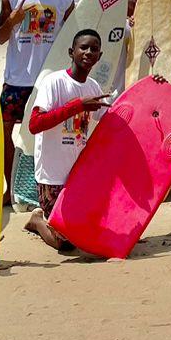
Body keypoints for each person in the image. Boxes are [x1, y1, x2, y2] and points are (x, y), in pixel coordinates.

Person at [0, 0, 75, 202]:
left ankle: (52, 189)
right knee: (3, 133)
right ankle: (10, 189)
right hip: (17, 79)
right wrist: (12, 21)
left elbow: (73, 37)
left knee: (53, 135)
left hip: (50, 79)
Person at [23, 30, 110, 252]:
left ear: (99, 56)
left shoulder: (93, 87)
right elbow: (35, 124)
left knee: (87, 231)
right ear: (72, 52)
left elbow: (112, 121)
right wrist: (77, 106)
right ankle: (37, 220)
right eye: (83, 47)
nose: (88, 52)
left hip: (78, 174)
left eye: (94, 49)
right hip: (52, 174)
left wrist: (150, 89)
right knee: (64, 243)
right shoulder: (54, 82)